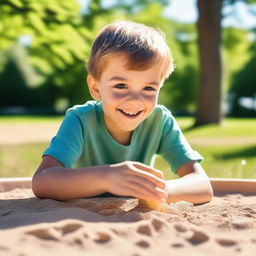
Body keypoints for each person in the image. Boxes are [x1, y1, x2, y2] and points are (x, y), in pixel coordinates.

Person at [32, 20, 213, 206]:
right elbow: (42, 181)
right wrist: (106, 177)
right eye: (121, 86)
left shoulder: (160, 120)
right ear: (95, 87)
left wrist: (162, 190)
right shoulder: (81, 119)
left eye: (149, 88)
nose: (135, 100)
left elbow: (202, 185)